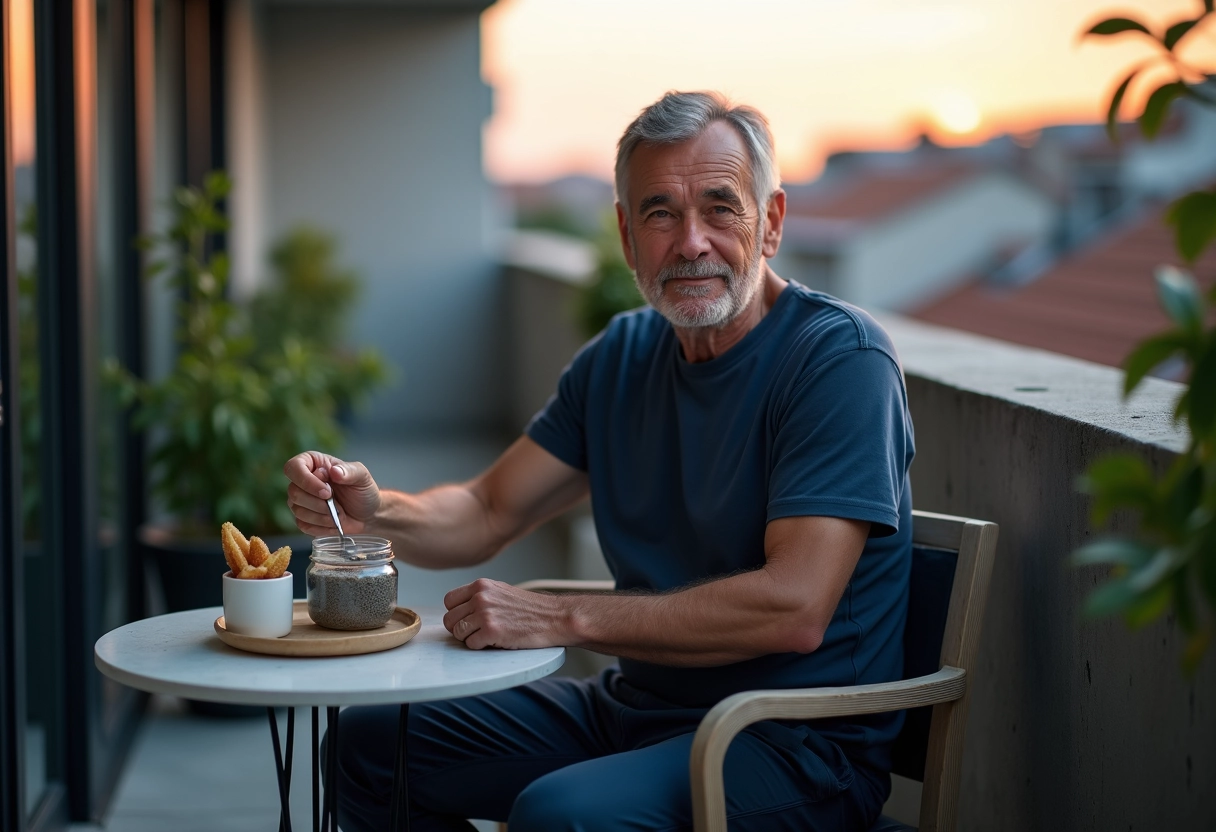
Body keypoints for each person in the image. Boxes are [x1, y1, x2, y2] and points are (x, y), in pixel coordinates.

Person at [284, 90, 914, 832]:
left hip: (789, 741)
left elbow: (795, 608)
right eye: (659, 213)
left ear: (770, 222)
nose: (691, 243)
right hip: (635, 711)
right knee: (371, 745)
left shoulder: (837, 359)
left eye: (720, 208)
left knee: (560, 816)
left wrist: (559, 617)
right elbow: (488, 510)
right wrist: (375, 508)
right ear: (625, 234)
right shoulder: (620, 357)